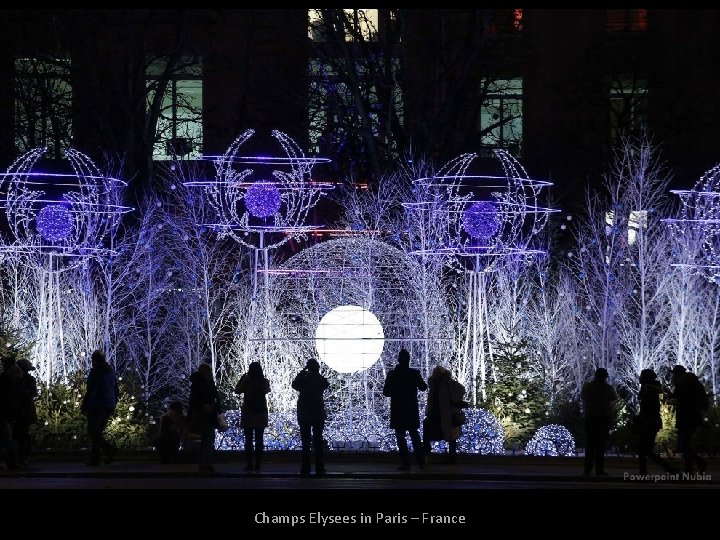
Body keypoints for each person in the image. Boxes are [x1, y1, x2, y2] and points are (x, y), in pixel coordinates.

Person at [383, 348, 427, 471]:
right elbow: (423, 387)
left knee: (400, 438)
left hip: (398, 409)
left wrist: (397, 392)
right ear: (408, 360)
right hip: (411, 409)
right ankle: (421, 462)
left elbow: (386, 392)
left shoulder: (392, 374)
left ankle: (405, 463)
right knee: (415, 436)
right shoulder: (414, 373)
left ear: (398, 360)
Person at [291, 357, 329, 476]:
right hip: (317, 413)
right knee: (318, 441)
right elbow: (326, 383)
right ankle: (320, 466)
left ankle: (305, 467)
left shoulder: (304, 379)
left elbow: (294, 384)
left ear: (308, 368)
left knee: (305, 442)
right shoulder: (320, 380)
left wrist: (302, 372)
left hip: (304, 413)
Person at [81, 350, 119, 466]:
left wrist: (84, 404)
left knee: (93, 430)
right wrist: (114, 402)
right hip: (108, 404)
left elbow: (91, 389)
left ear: (95, 360)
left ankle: (108, 450)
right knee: (97, 431)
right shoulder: (110, 371)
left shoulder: (96, 372)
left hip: (97, 404)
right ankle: (95, 457)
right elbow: (115, 388)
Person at [637, 368, 677, 474]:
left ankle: (644, 474)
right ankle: (667, 468)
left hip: (648, 422)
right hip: (652, 422)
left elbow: (646, 406)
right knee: (646, 450)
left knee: (644, 450)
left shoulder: (648, 389)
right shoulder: (653, 389)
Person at [422, 365, 465, 464]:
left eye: (438, 373)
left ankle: (433, 456)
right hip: (438, 414)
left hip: (444, 414)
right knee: (446, 434)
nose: (436, 374)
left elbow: (460, 389)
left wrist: (453, 400)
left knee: (448, 434)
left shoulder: (445, 384)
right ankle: (432, 455)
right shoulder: (435, 384)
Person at [670, 364, 708, 473]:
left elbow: (678, 397)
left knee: (684, 444)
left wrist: (671, 395)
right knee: (685, 444)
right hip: (693, 416)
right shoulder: (694, 382)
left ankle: (698, 463)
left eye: (674, 375)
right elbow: (702, 400)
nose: (673, 378)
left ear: (678, 375)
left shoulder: (682, 384)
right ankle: (689, 469)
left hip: (686, 417)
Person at [581, 367, 617, 476]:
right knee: (600, 446)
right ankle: (599, 470)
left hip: (591, 417)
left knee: (590, 445)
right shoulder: (607, 388)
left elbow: (584, 397)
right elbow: (614, 397)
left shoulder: (588, 387)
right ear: (605, 377)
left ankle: (587, 470)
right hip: (603, 418)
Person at [235, 361, 271, 472]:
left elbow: (237, 390)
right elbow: (266, 390)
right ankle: (258, 464)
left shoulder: (247, 382)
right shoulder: (264, 381)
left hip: (249, 412)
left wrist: (242, 379)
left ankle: (250, 464)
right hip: (260, 412)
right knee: (259, 439)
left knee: (248, 440)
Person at [188, 362, 221, 473]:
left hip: (206, 414)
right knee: (208, 439)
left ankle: (205, 463)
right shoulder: (203, 383)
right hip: (204, 415)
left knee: (207, 440)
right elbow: (195, 400)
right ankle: (205, 464)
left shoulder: (201, 382)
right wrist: (206, 406)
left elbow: (194, 400)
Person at [0, 356, 23, 470]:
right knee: (9, 438)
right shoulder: (16, 376)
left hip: (5, 411)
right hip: (10, 410)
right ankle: (12, 462)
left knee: (7, 438)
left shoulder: (6, 377)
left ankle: (11, 462)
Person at [15, 358, 38, 467]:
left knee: (23, 434)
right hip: (21, 409)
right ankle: (21, 456)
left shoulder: (28, 379)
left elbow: (33, 392)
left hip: (25, 409)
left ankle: (23, 456)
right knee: (21, 434)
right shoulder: (17, 379)